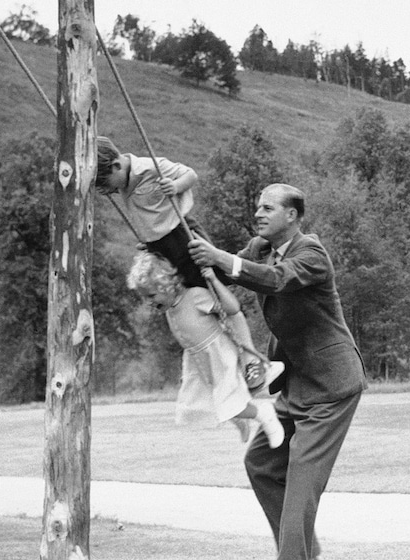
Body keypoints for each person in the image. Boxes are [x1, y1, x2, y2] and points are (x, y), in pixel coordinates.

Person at [188, 183, 367, 560]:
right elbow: (218, 269)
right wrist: (178, 226)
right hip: (294, 382)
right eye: (257, 207)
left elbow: (275, 279)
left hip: (331, 385)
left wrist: (220, 257)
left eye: (268, 208)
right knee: (262, 463)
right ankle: (307, 552)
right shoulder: (260, 248)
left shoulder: (312, 253)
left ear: (293, 216)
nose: (258, 213)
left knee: (302, 482)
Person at [95, 136, 276, 390]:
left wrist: (175, 185)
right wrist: (148, 240)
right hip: (159, 247)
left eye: (105, 183)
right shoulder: (119, 179)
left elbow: (190, 175)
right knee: (184, 303)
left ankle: (251, 360)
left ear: (116, 165)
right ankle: (221, 362)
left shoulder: (149, 167)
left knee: (219, 291)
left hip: (182, 236)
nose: (108, 191)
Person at [126, 251, 285, 448]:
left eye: (152, 295)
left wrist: (214, 282)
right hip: (199, 360)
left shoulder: (194, 297)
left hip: (219, 354)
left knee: (228, 401)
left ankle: (264, 414)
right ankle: (240, 419)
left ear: (167, 286)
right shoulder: (170, 310)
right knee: (199, 406)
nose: (149, 302)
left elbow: (232, 308)